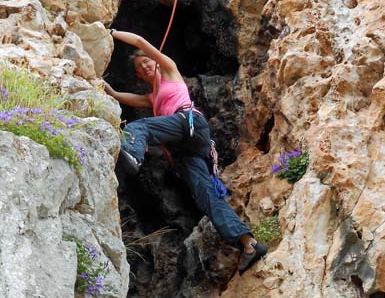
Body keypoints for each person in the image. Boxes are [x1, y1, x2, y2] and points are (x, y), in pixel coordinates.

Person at [104, 29, 267, 275]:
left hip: (189, 122)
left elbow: (140, 41)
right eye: (140, 67)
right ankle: (249, 244)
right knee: (206, 197)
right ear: (138, 75)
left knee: (139, 128)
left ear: (156, 62)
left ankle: (134, 156)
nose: (146, 67)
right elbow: (121, 98)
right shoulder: (152, 98)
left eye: (147, 61)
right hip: (186, 149)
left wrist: (112, 32)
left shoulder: (169, 71)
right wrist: (107, 90)